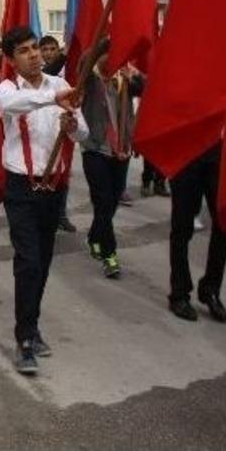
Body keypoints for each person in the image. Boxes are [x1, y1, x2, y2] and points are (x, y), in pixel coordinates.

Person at [0, 26, 86, 374]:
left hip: (54, 187)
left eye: (36, 48)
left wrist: (72, 125)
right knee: (28, 260)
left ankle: (31, 325)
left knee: (43, 262)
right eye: (24, 50)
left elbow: (84, 132)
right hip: (20, 187)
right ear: (11, 59)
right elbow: (12, 106)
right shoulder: (6, 89)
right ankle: (24, 340)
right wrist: (52, 100)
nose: (33, 54)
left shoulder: (61, 86)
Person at [80, 40, 143, 279]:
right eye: (109, 56)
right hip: (95, 149)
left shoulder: (124, 79)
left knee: (113, 200)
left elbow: (149, 87)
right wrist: (102, 43)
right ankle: (110, 255)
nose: (113, 61)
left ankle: (94, 235)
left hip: (121, 150)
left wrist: (134, 73)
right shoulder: (91, 79)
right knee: (103, 199)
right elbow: (86, 61)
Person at [167, 144, 226, 323]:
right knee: (181, 227)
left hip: (219, 153)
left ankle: (211, 289)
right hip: (185, 153)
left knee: (225, 225)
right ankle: (179, 293)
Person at [39, 35, 77, 234]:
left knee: (63, 171)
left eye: (52, 49)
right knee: (45, 170)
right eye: (44, 49)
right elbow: (49, 73)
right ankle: (45, 212)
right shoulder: (40, 73)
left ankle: (61, 214)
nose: (48, 53)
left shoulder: (69, 69)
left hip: (66, 125)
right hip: (45, 128)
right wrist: (64, 55)